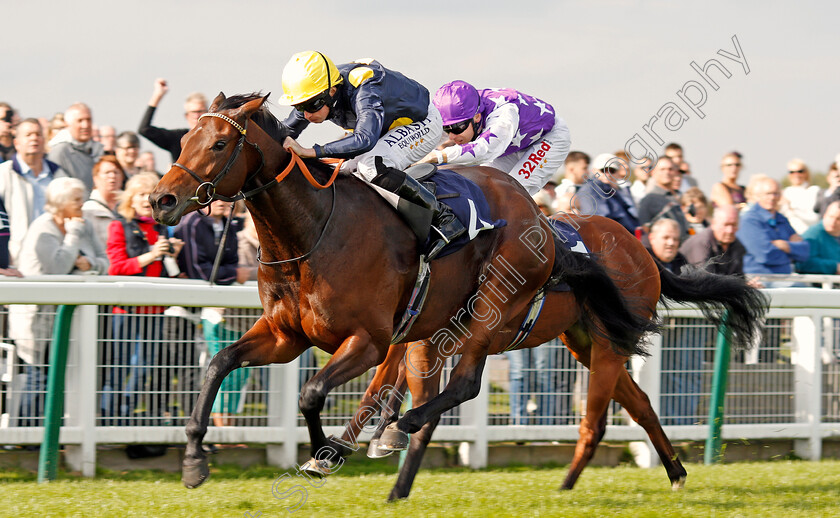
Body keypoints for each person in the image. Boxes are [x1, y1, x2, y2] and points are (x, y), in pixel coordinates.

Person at [278, 51, 463, 259]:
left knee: (371, 166)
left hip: (421, 122)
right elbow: (285, 132)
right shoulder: (315, 91)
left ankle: (444, 217)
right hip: (384, 127)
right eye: (299, 107)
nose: (306, 114)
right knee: (341, 172)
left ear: (331, 91)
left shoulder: (364, 86)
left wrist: (312, 152)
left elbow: (365, 139)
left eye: (312, 105)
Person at [8, 177, 108, 425]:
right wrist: (73, 237)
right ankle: (25, 435)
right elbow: (58, 268)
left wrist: (90, 264)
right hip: (36, 318)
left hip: (65, 318)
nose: (82, 203)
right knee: (39, 375)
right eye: (76, 199)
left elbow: (104, 261)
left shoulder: (81, 224)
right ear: (61, 202)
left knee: (58, 375)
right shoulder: (43, 228)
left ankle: (49, 432)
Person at [103, 172, 184, 427]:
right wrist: (151, 256)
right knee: (120, 367)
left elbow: (169, 271)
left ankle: (125, 416)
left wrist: (174, 254)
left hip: (155, 310)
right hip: (126, 311)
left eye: (149, 195)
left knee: (144, 368)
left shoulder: (161, 226)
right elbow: (116, 268)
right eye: (139, 194)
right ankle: (109, 419)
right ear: (130, 198)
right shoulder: (119, 225)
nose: (144, 199)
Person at [421, 80, 571, 198]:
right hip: (510, 143)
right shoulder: (460, 113)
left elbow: (483, 150)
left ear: (477, 116)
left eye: (458, 128)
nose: (452, 136)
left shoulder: (504, 114)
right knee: (480, 189)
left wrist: (436, 156)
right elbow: (427, 139)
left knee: (511, 194)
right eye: (446, 129)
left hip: (548, 138)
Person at [644, 218, 702, 425]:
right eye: (666, 238)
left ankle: (684, 424)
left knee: (688, 374)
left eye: (675, 239)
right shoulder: (640, 258)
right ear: (652, 238)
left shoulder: (681, 261)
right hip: (645, 336)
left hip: (679, 333)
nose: (671, 243)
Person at [0, 118, 67, 265]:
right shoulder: (4, 174)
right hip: (16, 261)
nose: (34, 139)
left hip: (54, 261)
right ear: (16, 143)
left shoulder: (59, 175)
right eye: (28, 134)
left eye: (38, 134)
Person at [737, 176, 810, 285]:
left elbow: (805, 252)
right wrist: (792, 253)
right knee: (800, 289)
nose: (772, 197)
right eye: (768, 193)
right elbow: (765, 255)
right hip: (760, 280)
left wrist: (785, 245)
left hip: (785, 277)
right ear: (758, 196)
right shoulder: (749, 220)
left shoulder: (781, 219)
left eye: (776, 193)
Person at [138, 78, 207, 163]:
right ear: (186, 116)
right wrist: (158, 95)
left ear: (207, 113)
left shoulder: (215, 138)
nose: (197, 116)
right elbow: (145, 130)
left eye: (200, 111)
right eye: (193, 112)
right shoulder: (178, 138)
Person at [575, 153, 639, 233]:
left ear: (618, 172)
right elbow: (600, 222)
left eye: (611, 170)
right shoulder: (590, 190)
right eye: (603, 170)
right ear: (594, 171)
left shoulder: (614, 190)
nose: (608, 174)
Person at [46, 103, 103, 191]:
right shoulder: (60, 152)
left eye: (88, 120)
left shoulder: (98, 150)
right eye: (80, 121)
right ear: (68, 124)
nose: (85, 125)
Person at [680, 205, 748, 277]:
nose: (730, 230)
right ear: (713, 223)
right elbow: (706, 279)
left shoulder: (736, 245)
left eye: (734, 225)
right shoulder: (702, 243)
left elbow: (738, 276)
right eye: (726, 225)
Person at [637, 157, 690, 238]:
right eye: (662, 169)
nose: (667, 172)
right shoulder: (648, 200)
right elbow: (645, 232)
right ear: (653, 172)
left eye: (670, 169)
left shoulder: (681, 196)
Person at [82, 156, 124, 248]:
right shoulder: (87, 210)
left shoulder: (131, 206)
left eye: (116, 172)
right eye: (107, 172)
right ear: (95, 178)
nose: (112, 176)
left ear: (122, 177)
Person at [795, 201, 840, 275]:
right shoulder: (813, 234)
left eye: (838, 219)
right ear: (824, 215)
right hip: (818, 282)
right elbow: (803, 263)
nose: (833, 221)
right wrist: (835, 266)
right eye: (831, 216)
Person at [779, 158, 820, 235]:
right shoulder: (785, 192)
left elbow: (815, 218)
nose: (796, 175)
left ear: (806, 173)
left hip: (810, 235)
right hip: (790, 237)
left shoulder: (814, 190)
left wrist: (791, 207)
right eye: (792, 172)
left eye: (800, 171)